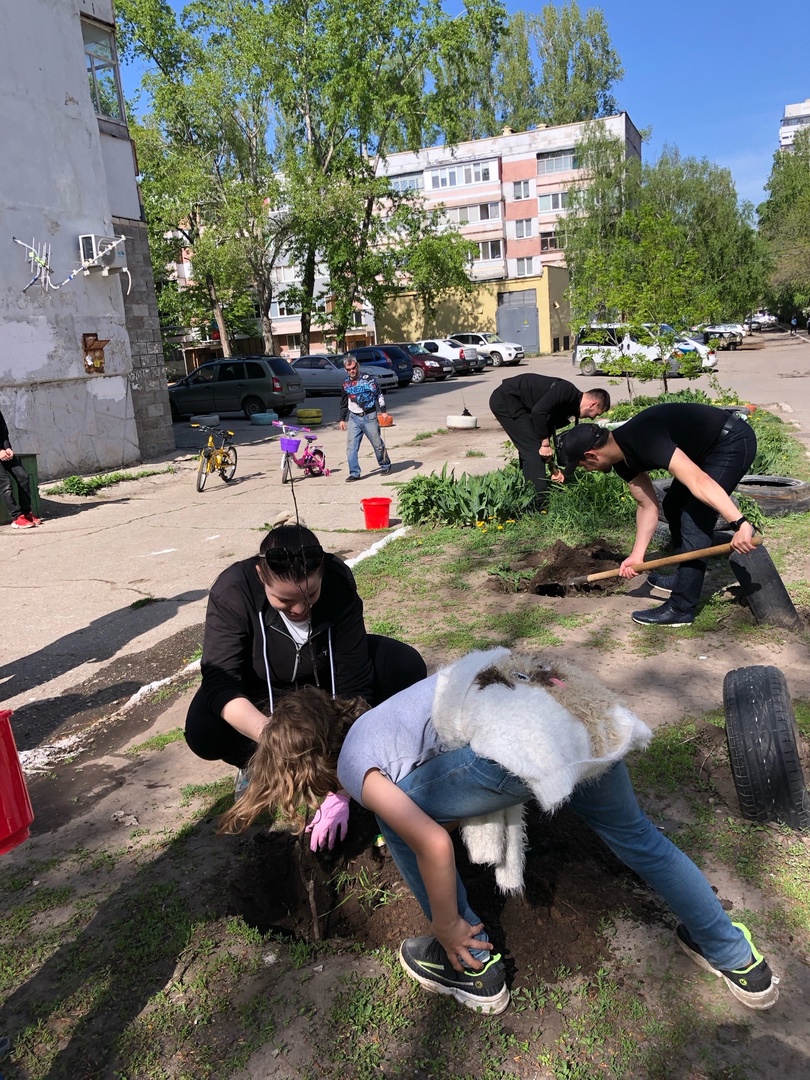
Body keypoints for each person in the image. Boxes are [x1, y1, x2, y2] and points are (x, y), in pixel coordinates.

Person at [220, 648, 779, 1016]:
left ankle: (468, 961)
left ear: (314, 765)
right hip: (579, 708)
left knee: (403, 822)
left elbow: (434, 840)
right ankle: (734, 955)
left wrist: (442, 921)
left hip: (525, 739)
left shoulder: (352, 765)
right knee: (641, 840)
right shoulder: (381, 718)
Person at [185, 523, 426, 842]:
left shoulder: (338, 583)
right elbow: (220, 682)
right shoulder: (233, 590)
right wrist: (274, 740)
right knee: (204, 727)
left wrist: (343, 787)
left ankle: (378, 754)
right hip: (262, 688)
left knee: (404, 665)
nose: (299, 609)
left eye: (310, 595)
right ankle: (254, 763)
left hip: (324, 681)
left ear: (322, 572)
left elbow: (354, 686)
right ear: (261, 576)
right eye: (284, 601)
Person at [556, 403, 758, 627]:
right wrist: (637, 555)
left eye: (582, 465)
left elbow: (699, 482)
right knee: (673, 505)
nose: (586, 470)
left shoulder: (644, 439)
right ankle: (686, 575)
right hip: (703, 449)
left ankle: (681, 608)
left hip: (731, 441)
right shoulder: (621, 458)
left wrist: (739, 523)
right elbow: (647, 506)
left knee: (694, 516)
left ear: (591, 455)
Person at [489, 374, 610, 507]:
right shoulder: (566, 391)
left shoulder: (569, 407)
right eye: (597, 413)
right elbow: (538, 413)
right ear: (594, 404)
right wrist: (545, 443)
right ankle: (538, 504)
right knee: (533, 451)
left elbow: (543, 432)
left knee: (533, 448)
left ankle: (526, 492)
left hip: (520, 405)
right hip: (507, 399)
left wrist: (554, 468)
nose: (593, 418)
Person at [339, 357, 391, 482]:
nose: (352, 371)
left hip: (369, 416)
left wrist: (383, 411)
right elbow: (343, 402)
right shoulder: (346, 384)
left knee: (377, 444)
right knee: (351, 447)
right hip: (354, 418)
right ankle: (354, 473)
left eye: (354, 368)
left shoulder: (368, 379)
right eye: (349, 369)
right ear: (346, 370)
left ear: (357, 366)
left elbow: (379, 394)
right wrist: (342, 419)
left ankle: (385, 465)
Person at [0, 407, 40, 529]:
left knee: (23, 477)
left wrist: (7, 448)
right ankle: (17, 517)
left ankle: (27, 513)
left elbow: (3, 430)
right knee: (5, 484)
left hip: (3, 451)